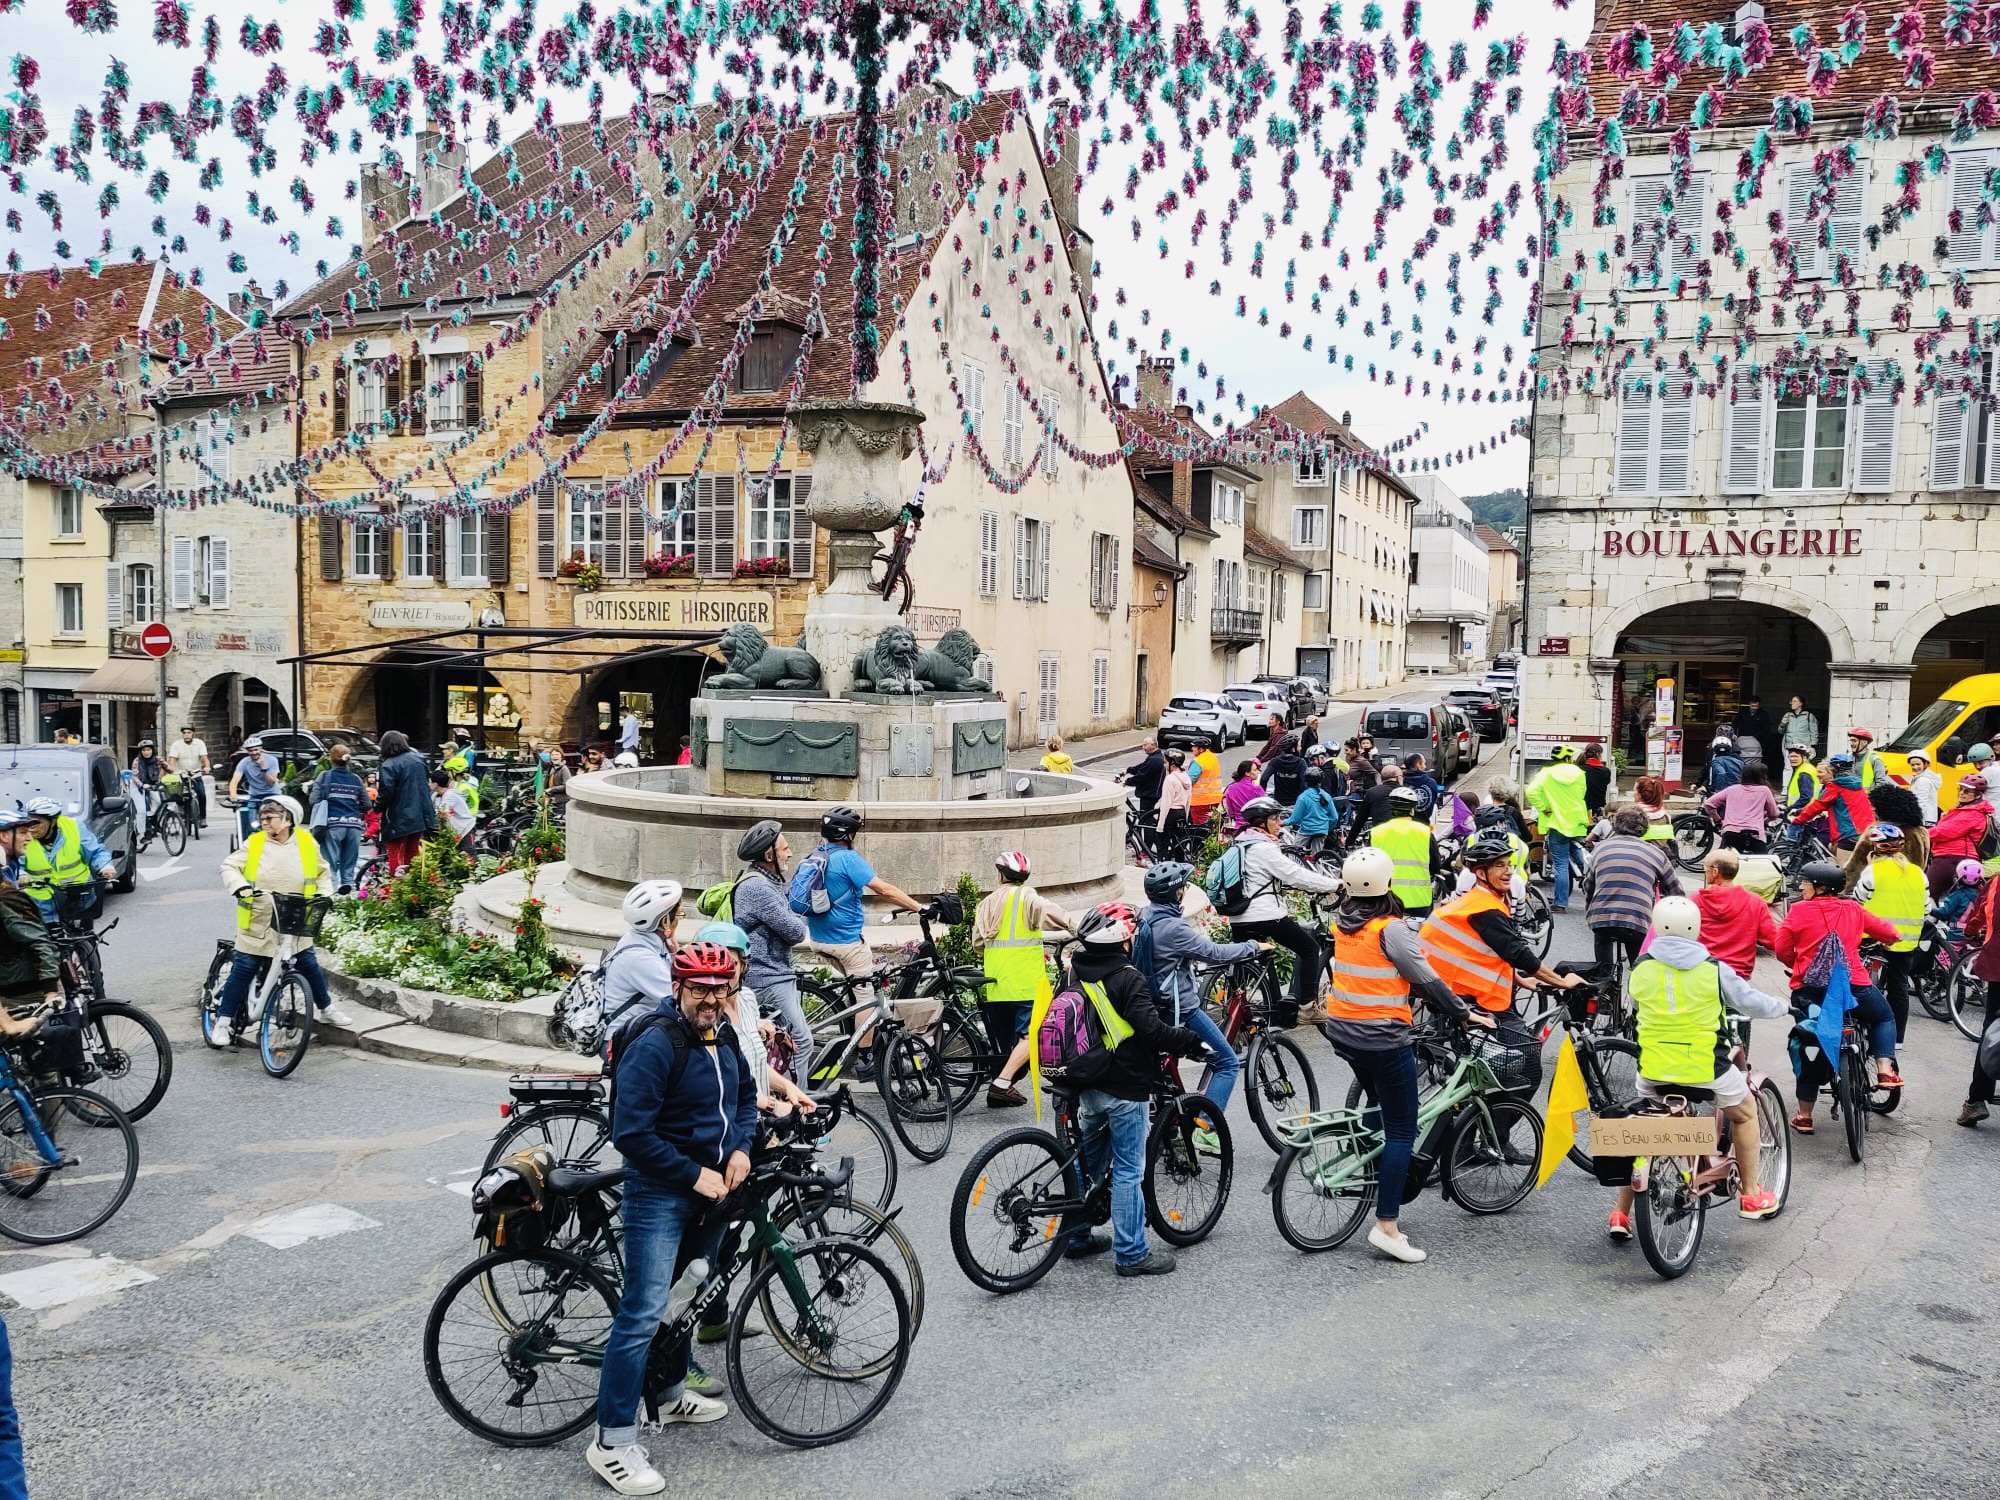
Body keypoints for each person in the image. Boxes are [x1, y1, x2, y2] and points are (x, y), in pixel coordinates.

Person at [586, 941, 755, 1495]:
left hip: (712, 1187)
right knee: (642, 1312)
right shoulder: (657, 1043)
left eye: (719, 987)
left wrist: (740, 1149)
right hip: (661, 1193)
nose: (711, 998)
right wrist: (692, 1174)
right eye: (700, 988)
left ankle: (669, 1392)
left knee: (687, 1298)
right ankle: (611, 1442)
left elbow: (746, 1099)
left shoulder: (721, 1033)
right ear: (678, 989)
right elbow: (630, 1133)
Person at [1323, 846, 1488, 1264]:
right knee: (1402, 1130)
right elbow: (1426, 978)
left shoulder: (1343, 921)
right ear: (1388, 883)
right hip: (1381, 1036)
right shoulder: (1389, 929)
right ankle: (1387, 1226)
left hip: (1342, 1031)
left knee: (1381, 1105)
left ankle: (1373, 1167)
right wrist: (1464, 1013)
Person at [1604, 897, 1788, 1240]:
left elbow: (1638, 1004)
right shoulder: (1713, 969)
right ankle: (1750, 1194)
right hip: (1707, 1068)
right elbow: (1750, 1002)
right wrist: (1781, 1006)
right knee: (1745, 1114)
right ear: (1695, 927)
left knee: (1647, 1133)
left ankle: (1620, 1213)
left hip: (1653, 1069)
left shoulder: (1641, 967)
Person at [1054, 904, 1207, 1278]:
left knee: (1090, 1163)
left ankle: (1077, 1238)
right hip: (1124, 1085)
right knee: (1127, 1169)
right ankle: (1132, 1252)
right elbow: (1151, 1031)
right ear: (1123, 939)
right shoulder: (1127, 977)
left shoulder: (1074, 970)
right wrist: (1188, 1039)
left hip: (1084, 1081)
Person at [1418, 832, 1583, 1047]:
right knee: (1526, 1053)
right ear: (1481, 873)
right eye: (1499, 866)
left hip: (1439, 986)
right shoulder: (1485, 909)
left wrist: (1521, 980)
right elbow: (1519, 954)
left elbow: (1485, 952)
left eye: (1509, 865)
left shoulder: (1476, 900)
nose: (1508, 872)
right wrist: (1562, 982)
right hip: (1463, 990)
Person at [215, 795, 357, 1043]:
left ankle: (326, 1009)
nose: (264, 823)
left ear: (288, 819)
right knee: (245, 967)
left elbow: (322, 873)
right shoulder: (255, 842)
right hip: (259, 918)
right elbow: (229, 865)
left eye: (270, 818)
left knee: (309, 964)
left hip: (295, 917)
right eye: (262, 818)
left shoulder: (305, 841)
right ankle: (223, 1022)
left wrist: (324, 895)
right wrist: (240, 887)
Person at [1775, 859, 1903, 1133]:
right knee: (1882, 1016)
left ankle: (1805, 1116)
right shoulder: (1853, 909)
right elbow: (1890, 933)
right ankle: (1884, 1068)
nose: (1802, 887)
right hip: (1853, 988)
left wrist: (1796, 963)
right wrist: (1890, 939)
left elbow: (1782, 950)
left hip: (1811, 993)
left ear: (1820, 888)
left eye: (1806, 883)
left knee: (1811, 1042)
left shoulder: (1798, 912)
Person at [1135, 861, 1260, 1132]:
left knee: (1166, 1069)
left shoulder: (1143, 916)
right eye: (1184, 887)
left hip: (1151, 1006)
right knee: (1226, 1062)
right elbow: (1214, 953)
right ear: (1176, 893)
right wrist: (1253, 947)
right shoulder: (1174, 929)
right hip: (1180, 1010)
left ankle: (1167, 1126)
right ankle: (1208, 1128)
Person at [802, 806, 923, 1078]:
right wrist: (919, 907)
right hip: (845, 944)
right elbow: (884, 889)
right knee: (868, 1001)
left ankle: (852, 1026)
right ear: (848, 834)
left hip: (818, 939)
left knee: (858, 988)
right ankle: (866, 1060)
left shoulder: (816, 855)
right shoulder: (848, 859)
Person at [973, 850, 1075, 1108]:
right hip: (1026, 984)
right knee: (1032, 1037)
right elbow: (1051, 913)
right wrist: (1079, 929)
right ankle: (1002, 1084)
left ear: (1000, 875)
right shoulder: (1026, 896)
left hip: (995, 984)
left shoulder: (985, 904)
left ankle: (1002, 1088)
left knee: (1007, 1046)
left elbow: (977, 944)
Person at [1231, 797, 1342, 1020]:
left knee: (1248, 962)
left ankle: (1245, 1008)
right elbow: (1295, 874)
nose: (1280, 823)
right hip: (1265, 915)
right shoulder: (1263, 848)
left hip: (1237, 917)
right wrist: (1334, 885)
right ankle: (1307, 1008)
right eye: (1275, 818)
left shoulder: (1239, 844)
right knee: (1309, 949)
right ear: (1261, 822)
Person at [728, 820, 813, 1081]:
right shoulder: (759, 888)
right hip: (768, 979)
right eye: (784, 849)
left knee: (774, 1044)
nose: (789, 854)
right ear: (769, 855)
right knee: (799, 1043)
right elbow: (796, 932)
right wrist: (799, 917)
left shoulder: (767, 881)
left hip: (775, 974)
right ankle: (798, 1109)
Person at [1853, 823, 1929, 1043]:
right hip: (1906, 941)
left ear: (1875, 848)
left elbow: (1858, 900)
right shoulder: (1917, 873)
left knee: (1861, 981)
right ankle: (1897, 1039)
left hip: (1873, 938)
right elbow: (1926, 908)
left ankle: (1861, 1028)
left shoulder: (1873, 871)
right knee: (1899, 986)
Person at [1586, 807, 1684, 973]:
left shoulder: (1600, 849)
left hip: (1602, 918)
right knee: (1640, 970)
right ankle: (1639, 985)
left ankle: (1603, 987)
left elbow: (1588, 885)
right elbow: (1676, 892)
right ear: (1643, 829)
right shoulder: (1656, 853)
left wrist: (1591, 911)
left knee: (1602, 952)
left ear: (1616, 825)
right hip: (1637, 919)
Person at [602, 879, 684, 1043]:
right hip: (623, 1042)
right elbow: (679, 999)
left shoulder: (646, 942)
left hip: (640, 1032)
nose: (680, 919)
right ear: (664, 921)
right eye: (679, 915)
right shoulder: (641, 959)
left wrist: (674, 947)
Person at [12, 797, 115, 921]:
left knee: (83, 934)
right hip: (41, 902)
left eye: (36, 822)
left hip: (78, 894)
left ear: (53, 821)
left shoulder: (74, 827)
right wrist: (21, 875)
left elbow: (95, 851)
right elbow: (14, 863)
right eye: (28, 822)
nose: (30, 827)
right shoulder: (23, 836)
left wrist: (106, 867)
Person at [1956, 865, 2000, 1126]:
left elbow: (1979, 913)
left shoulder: (1996, 883)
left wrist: (1970, 933)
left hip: (1998, 966)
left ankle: (1976, 1101)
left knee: (1993, 1032)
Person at [1692, 848, 1779, 978]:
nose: (1704, 870)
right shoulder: (1755, 903)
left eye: (1705, 866)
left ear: (1715, 872)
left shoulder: (1696, 901)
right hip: (1738, 976)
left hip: (1702, 971)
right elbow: (1773, 941)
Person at [1526, 744, 1590, 912]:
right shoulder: (1579, 773)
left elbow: (1531, 791)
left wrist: (1543, 807)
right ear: (1568, 758)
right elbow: (1581, 795)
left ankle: (1560, 903)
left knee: (1560, 863)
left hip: (1556, 821)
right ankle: (1586, 872)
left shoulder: (1546, 773)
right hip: (1576, 821)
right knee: (1574, 849)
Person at [1369, 785, 1441, 918]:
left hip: (1387, 900)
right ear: (1412, 810)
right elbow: (1436, 866)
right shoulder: (1425, 832)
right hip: (1419, 898)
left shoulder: (1376, 833)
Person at [307, 743, 368, 894]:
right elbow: (366, 804)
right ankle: (349, 895)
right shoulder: (356, 779)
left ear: (330, 759)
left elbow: (313, 800)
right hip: (354, 826)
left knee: (330, 865)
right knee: (349, 867)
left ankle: (332, 896)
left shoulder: (325, 777)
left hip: (332, 825)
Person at [373, 730, 436, 874]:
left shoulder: (389, 765)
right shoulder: (418, 759)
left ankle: (396, 885)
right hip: (420, 813)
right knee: (412, 851)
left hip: (399, 815)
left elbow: (386, 792)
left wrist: (376, 807)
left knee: (395, 851)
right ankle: (411, 885)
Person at [1793, 753, 1871, 852]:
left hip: (1850, 833)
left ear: (1831, 772)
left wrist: (1798, 820)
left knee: (1843, 867)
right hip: (1866, 830)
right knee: (1832, 850)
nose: (1817, 775)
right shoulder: (1857, 785)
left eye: (1821, 772)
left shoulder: (1835, 786)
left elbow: (1817, 806)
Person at [1704, 762, 1780, 853]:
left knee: (1727, 863)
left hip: (1730, 833)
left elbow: (1709, 804)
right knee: (1763, 863)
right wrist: (1765, 821)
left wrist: (1718, 820)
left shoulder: (1732, 789)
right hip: (1754, 834)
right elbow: (1774, 814)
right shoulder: (1764, 790)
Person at [227, 740, 282, 845]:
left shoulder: (271, 760)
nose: (253, 753)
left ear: (260, 749)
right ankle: (252, 838)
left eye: (256, 750)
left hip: (273, 795)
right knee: (253, 823)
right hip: (255, 796)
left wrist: (263, 768)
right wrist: (233, 795)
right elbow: (234, 781)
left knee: (275, 820)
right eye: (250, 751)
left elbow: (271, 782)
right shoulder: (244, 762)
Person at [165, 725, 212, 826]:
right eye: (184, 733)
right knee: (181, 795)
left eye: (189, 732)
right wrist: (173, 769)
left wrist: (207, 767)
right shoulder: (176, 744)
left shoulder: (199, 743)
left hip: (196, 773)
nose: (186, 735)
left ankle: (202, 817)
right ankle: (183, 814)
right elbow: (172, 759)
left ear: (193, 733)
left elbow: (204, 758)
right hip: (182, 774)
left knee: (201, 794)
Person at [1285, 767, 1340, 853]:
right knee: (1316, 856)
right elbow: (1334, 818)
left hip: (1306, 831)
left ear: (1306, 781)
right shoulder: (1326, 796)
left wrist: (1284, 822)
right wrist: (1326, 828)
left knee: (1294, 853)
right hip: (1322, 831)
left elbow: (1296, 819)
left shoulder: (1303, 797)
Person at [1349, 762, 1405, 838]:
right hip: (1403, 835)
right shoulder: (1406, 792)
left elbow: (1360, 820)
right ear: (1398, 778)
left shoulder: (1372, 792)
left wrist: (1350, 841)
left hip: (1380, 836)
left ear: (1382, 779)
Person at [1116, 738, 1165, 820]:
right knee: (1147, 816)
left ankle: (1150, 832)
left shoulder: (1154, 760)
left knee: (1145, 819)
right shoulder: (1155, 757)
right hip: (1152, 792)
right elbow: (1142, 767)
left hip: (1149, 793)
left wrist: (1125, 782)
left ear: (1152, 745)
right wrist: (1128, 771)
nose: (1143, 747)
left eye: (1145, 745)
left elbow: (1141, 776)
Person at [431, 766, 476, 851]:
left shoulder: (450, 795)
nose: (429, 784)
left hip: (465, 829)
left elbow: (442, 812)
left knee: (467, 857)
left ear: (435, 784)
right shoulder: (435, 795)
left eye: (430, 782)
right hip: (453, 832)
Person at [1781, 745, 1822, 838]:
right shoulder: (1806, 768)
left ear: (1804, 757)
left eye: (1795, 756)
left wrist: (1790, 808)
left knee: (1792, 846)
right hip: (1808, 814)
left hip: (1801, 815)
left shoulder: (1804, 773)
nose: (1792, 759)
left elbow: (1806, 796)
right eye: (1790, 756)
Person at [1258, 734, 1309, 807]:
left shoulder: (1275, 761)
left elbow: (1263, 779)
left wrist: (1262, 796)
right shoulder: (1300, 763)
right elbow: (1304, 783)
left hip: (1279, 802)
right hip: (1296, 803)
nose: (1300, 747)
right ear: (1293, 748)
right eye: (1298, 745)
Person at [128, 738, 164, 837]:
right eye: (144, 750)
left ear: (152, 750)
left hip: (151, 785)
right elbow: (134, 776)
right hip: (138, 786)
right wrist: (141, 785)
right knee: (141, 810)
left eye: (148, 749)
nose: (146, 752)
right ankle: (142, 833)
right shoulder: (137, 761)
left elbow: (167, 768)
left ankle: (151, 819)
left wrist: (165, 765)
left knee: (158, 801)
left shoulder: (157, 760)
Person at [1186, 735, 1224, 828]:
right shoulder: (1212, 757)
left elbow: (1190, 780)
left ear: (1201, 749)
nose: (1192, 749)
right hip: (1215, 798)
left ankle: (1198, 842)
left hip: (1200, 800)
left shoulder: (1198, 761)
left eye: (1194, 747)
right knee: (1211, 825)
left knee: (1200, 827)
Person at [1936, 858, 1985, 929]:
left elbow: (1944, 912)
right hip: (1977, 933)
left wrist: (1930, 910)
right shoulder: (1984, 896)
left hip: (1956, 934)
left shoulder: (1957, 895)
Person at [1221, 759, 1263, 831]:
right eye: (1255, 770)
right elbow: (1262, 810)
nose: (1258, 772)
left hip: (1239, 828)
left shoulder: (1231, 788)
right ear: (1247, 773)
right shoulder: (1257, 789)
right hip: (1255, 828)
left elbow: (1231, 812)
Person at [1399, 753, 1440, 821]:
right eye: (1424, 763)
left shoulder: (1400, 782)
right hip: (1424, 827)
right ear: (1418, 764)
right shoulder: (1431, 783)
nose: (1425, 766)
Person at [1580, 741, 1616, 819]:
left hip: (1583, 807)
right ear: (1599, 754)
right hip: (1599, 809)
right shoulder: (1605, 771)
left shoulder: (1580, 769)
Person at [1906, 749, 1942, 826]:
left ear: (1925, 764)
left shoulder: (1923, 780)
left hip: (1923, 820)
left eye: (1918, 764)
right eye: (1913, 765)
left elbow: (1921, 801)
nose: (1915, 767)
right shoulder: (1921, 778)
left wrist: (1915, 819)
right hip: (1927, 819)